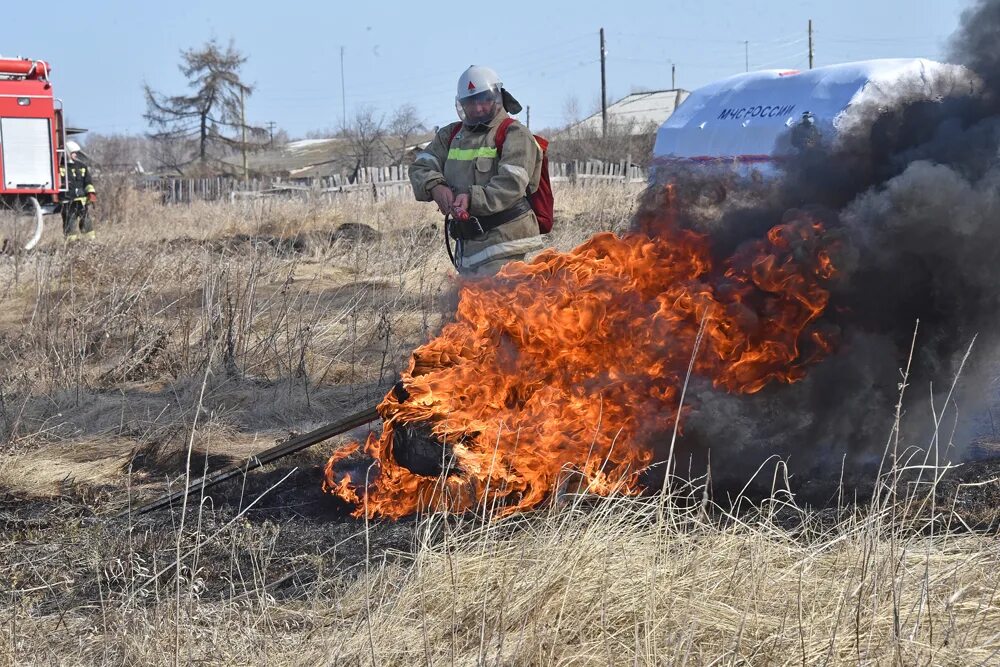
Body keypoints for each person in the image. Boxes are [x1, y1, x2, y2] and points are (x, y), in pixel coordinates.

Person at [410, 65, 543, 276]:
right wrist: (435, 186)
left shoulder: (515, 134)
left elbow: (511, 184)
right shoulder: (450, 135)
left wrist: (471, 198)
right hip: (468, 248)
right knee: (469, 307)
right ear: (461, 105)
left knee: (497, 306)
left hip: (507, 244)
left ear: (498, 97)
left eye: (484, 99)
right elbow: (421, 166)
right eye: (471, 102)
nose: (478, 108)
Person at [60, 140, 97, 241]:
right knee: (70, 223)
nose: (75, 155)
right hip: (68, 202)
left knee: (86, 222)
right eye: (73, 153)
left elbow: (88, 181)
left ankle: (91, 242)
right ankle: (71, 245)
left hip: (82, 201)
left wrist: (91, 193)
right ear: (67, 153)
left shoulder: (82, 166)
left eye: (76, 152)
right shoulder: (59, 167)